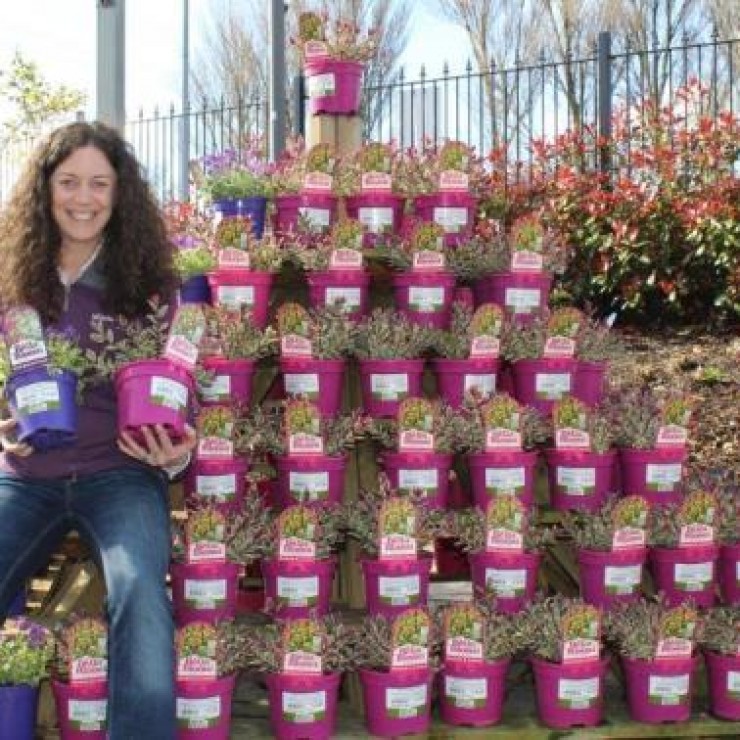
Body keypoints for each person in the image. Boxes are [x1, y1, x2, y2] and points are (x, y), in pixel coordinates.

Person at [0, 121, 197, 739]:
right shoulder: (12, 282)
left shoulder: (149, 287)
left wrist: (175, 456)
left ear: (119, 194)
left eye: (99, 184)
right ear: (44, 189)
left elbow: (174, 388)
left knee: (140, 590)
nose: (82, 198)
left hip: (120, 473)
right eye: (68, 182)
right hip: (27, 475)